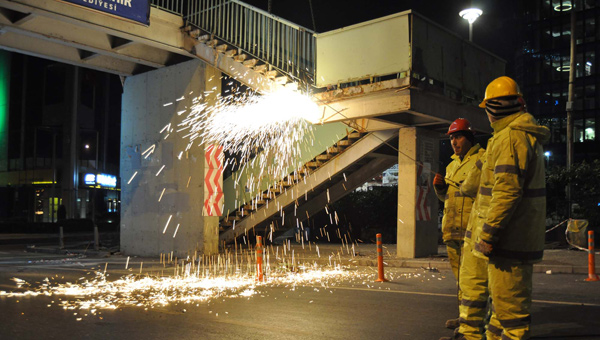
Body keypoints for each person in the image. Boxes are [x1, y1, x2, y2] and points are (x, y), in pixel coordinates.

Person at [473, 76, 549, 340]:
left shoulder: (511, 138)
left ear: (496, 107)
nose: (487, 115)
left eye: (487, 109)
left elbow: (506, 192)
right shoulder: (513, 136)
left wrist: (488, 234)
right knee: (500, 312)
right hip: (513, 239)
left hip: (508, 241)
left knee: (511, 317)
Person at [433, 118, 484, 332]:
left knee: (473, 281)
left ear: (470, 138)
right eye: (452, 138)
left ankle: (475, 323)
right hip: (452, 230)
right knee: (461, 281)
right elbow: (448, 198)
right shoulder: (452, 165)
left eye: (459, 136)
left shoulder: (481, 160)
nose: (454, 142)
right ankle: (465, 319)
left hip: (472, 231)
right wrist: (440, 189)